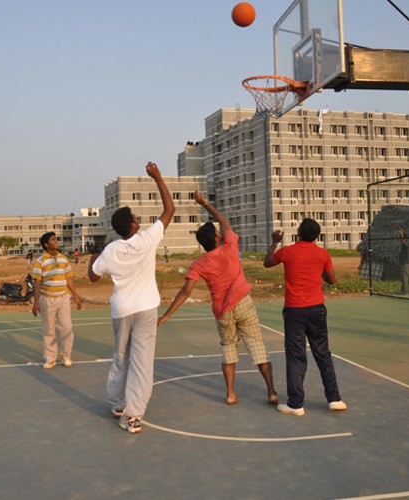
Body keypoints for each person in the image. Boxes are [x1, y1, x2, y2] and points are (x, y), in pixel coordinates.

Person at [158, 191, 277, 406]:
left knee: (228, 351)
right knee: (257, 347)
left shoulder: (199, 264)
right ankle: (271, 392)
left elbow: (185, 292)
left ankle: (231, 393)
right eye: (217, 233)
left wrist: (166, 315)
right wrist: (205, 203)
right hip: (243, 303)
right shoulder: (230, 246)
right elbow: (224, 221)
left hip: (222, 311)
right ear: (216, 238)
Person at [88, 162, 175, 434]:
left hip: (122, 310)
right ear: (134, 225)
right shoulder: (147, 240)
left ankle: (116, 403)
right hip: (146, 309)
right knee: (142, 364)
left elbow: (93, 276)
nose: (139, 219)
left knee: (120, 357)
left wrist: (92, 259)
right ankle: (133, 415)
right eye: (136, 216)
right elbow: (169, 210)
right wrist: (158, 178)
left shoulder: (112, 250)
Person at [263, 219, 346, 416]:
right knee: (323, 353)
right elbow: (332, 280)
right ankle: (334, 399)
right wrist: (319, 273)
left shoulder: (287, 252)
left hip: (294, 311)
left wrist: (274, 242)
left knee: (295, 356)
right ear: (317, 236)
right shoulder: (322, 254)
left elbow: (267, 263)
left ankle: (296, 404)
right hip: (317, 309)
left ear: (299, 232)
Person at [31, 232, 82, 369]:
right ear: (47, 245)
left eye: (56, 239)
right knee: (49, 330)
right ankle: (50, 358)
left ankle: (66, 356)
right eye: (53, 240)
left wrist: (76, 296)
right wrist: (36, 303)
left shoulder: (64, 259)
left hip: (63, 298)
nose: (56, 241)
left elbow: (69, 279)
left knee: (66, 327)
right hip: (47, 299)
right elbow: (37, 283)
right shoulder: (40, 261)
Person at [398, 227, 409, 294]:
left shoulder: (406, 245)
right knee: (408, 274)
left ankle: (404, 290)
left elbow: (403, 242)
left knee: (404, 275)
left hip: (405, 261)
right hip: (405, 261)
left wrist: (401, 235)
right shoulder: (405, 245)